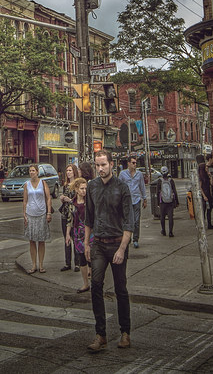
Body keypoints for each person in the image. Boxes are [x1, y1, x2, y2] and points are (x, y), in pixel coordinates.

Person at [84, 150, 132, 352]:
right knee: (96, 285)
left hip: (117, 243)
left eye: (104, 164)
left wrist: (122, 248)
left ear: (112, 164)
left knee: (120, 288)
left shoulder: (122, 188)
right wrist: (87, 243)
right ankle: (100, 334)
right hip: (99, 245)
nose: (100, 168)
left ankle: (125, 332)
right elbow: (88, 217)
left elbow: (130, 222)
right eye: (97, 165)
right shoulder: (92, 187)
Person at [22, 164, 52, 274]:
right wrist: (24, 214)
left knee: (41, 240)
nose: (31, 172)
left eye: (33, 170)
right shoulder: (27, 185)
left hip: (41, 214)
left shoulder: (43, 183)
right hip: (30, 214)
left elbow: (48, 198)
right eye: (30, 171)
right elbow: (25, 200)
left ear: (37, 172)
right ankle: (33, 265)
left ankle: (41, 265)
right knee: (32, 240)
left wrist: (48, 213)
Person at [64, 176, 91, 293]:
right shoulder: (72, 203)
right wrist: (68, 234)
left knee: (91, 258)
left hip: (90, 233)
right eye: (81, 188)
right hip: (78, 234)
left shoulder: (89, 202)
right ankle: (86, 283)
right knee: (82, 258)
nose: (84, 191)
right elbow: (69, 219)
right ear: (76, 189)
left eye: (85, 188)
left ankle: (95, 282)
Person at [118, 156, 146, 248]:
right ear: (128, 163)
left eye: (135, 163)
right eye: (133, 163)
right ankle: (127, 238)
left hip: (136, 200)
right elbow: (119, 187)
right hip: (126, 201)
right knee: (126, 221)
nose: (135, 165)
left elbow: (142, 186)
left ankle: (135, 239)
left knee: (136, 221)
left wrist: (144, 198)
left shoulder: (139, 174)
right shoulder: (122, 174)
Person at [57, 163, 81, 271]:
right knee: (66, 238)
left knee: (75, 237)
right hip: (65, 213)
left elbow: (78, 200)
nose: (68, 172)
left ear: (74, 172)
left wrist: (69, 200)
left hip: (74, 214)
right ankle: (67, 263)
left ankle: (77, 263)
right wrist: (63, 199)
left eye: (70, 170)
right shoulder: (66, 185)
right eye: (67, 170)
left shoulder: (77, 185)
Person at [156, 166, 179, 236]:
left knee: (162, 216)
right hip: (170, 201)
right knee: (170, 217)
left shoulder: (159, 181)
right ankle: (170, 232)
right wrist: (176, 201)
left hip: (162, 201)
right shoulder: (171, 180)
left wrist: (158, 202)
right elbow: (174, 191)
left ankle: (163, 230)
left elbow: (157, 192)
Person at [197, 155, 213, 230]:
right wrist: (204, 196)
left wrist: (210, 176)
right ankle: (202, 224)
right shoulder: (201, 177)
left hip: (208, 193)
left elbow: (211, 183)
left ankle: (209, 224)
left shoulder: (206, 176)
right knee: (204, 210)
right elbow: (200, 187)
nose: (206, 169)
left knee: (209, 209)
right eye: (205, 168)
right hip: (204, 195)